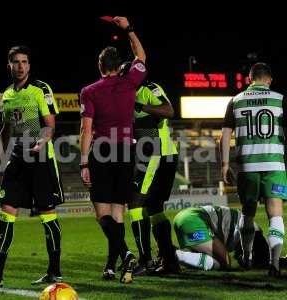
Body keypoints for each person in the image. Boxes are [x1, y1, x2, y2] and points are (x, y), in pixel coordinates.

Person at [0, 45, 64, 288]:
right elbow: (7, 130)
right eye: (16, 62)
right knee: (6, 210)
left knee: (47, 213)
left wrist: (42, 141)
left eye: (24, 61)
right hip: (17, 159)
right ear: (9, 65)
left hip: (41, 158)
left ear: (29, 65)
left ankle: (54, 272)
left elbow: (50, 125)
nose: (21, 66)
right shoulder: (7, 95)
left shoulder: (40, 89)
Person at [79, 16, 147, 283]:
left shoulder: (89, 91)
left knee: (102, 214)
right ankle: (112, 266)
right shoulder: (130, 82)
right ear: (119, 66)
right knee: (117, 214)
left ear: (99, 66)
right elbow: (141, 54)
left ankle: (126, 254)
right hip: (126, 152)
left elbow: (86, 129)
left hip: (103, 152)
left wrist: (84, 162)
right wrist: (128, 28)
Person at [221, 62, 286, 277]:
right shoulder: (279, 99)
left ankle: (247, 257)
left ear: (250, 79)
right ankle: (274, 263)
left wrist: (225, 164)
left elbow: (225, 135)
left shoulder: (236, 100)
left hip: (248, 165)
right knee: (275, 213)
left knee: (247, 213)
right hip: (274, 163)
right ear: (269, 79)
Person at [118, 71, 179, 275]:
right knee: (154, 209)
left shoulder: (149, 89)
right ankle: (169, 260)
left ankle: (145, 261)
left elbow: (169, 111)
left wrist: (140, 106)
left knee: (135, 203)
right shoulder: (124, 96)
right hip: (156, 153)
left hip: (158, 152)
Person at [173, 205, 272, 271]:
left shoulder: (253, 230)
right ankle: (172, 254)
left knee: (213, 258)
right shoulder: (252, 233)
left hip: (186, 216)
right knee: (224, 263)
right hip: (193, 220)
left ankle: (172, 255)